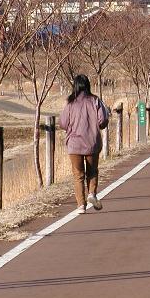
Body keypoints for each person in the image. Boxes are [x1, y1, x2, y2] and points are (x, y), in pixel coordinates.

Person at [60, 75, 109, 214]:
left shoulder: (70, 103)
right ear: (88, 85)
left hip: (74, 144)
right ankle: (91, 194)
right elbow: (102, 120)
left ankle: (81, 205)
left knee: (78, 175)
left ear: (75, 86)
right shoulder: (95, 101)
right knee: (92, 171)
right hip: (91, 142)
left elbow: (62, 123)